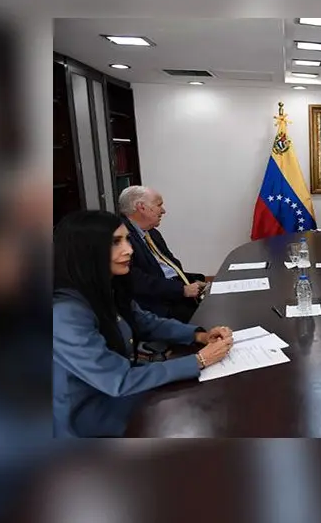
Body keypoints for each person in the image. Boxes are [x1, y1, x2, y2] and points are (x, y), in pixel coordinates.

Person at [53, 211, 234, 437]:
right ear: (85, 251)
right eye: (115, 242)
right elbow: (118, 380)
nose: (129, 250)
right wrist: (200, 360)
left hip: (122, 396)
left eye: (127, 239)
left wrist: (200, 336)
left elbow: (143, 321)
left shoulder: (103, 287)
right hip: (89, 420)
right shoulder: (65, 313)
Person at [119, 185, 207, 323]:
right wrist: (181, 290)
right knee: (209, 318)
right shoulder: (123, 236)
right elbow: (136, 280)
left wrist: (192, 281)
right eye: (159, 205)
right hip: (156, 305)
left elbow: (169, 267)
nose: (163, 211)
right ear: (141, 207)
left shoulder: (151, 233)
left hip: (172, 292)